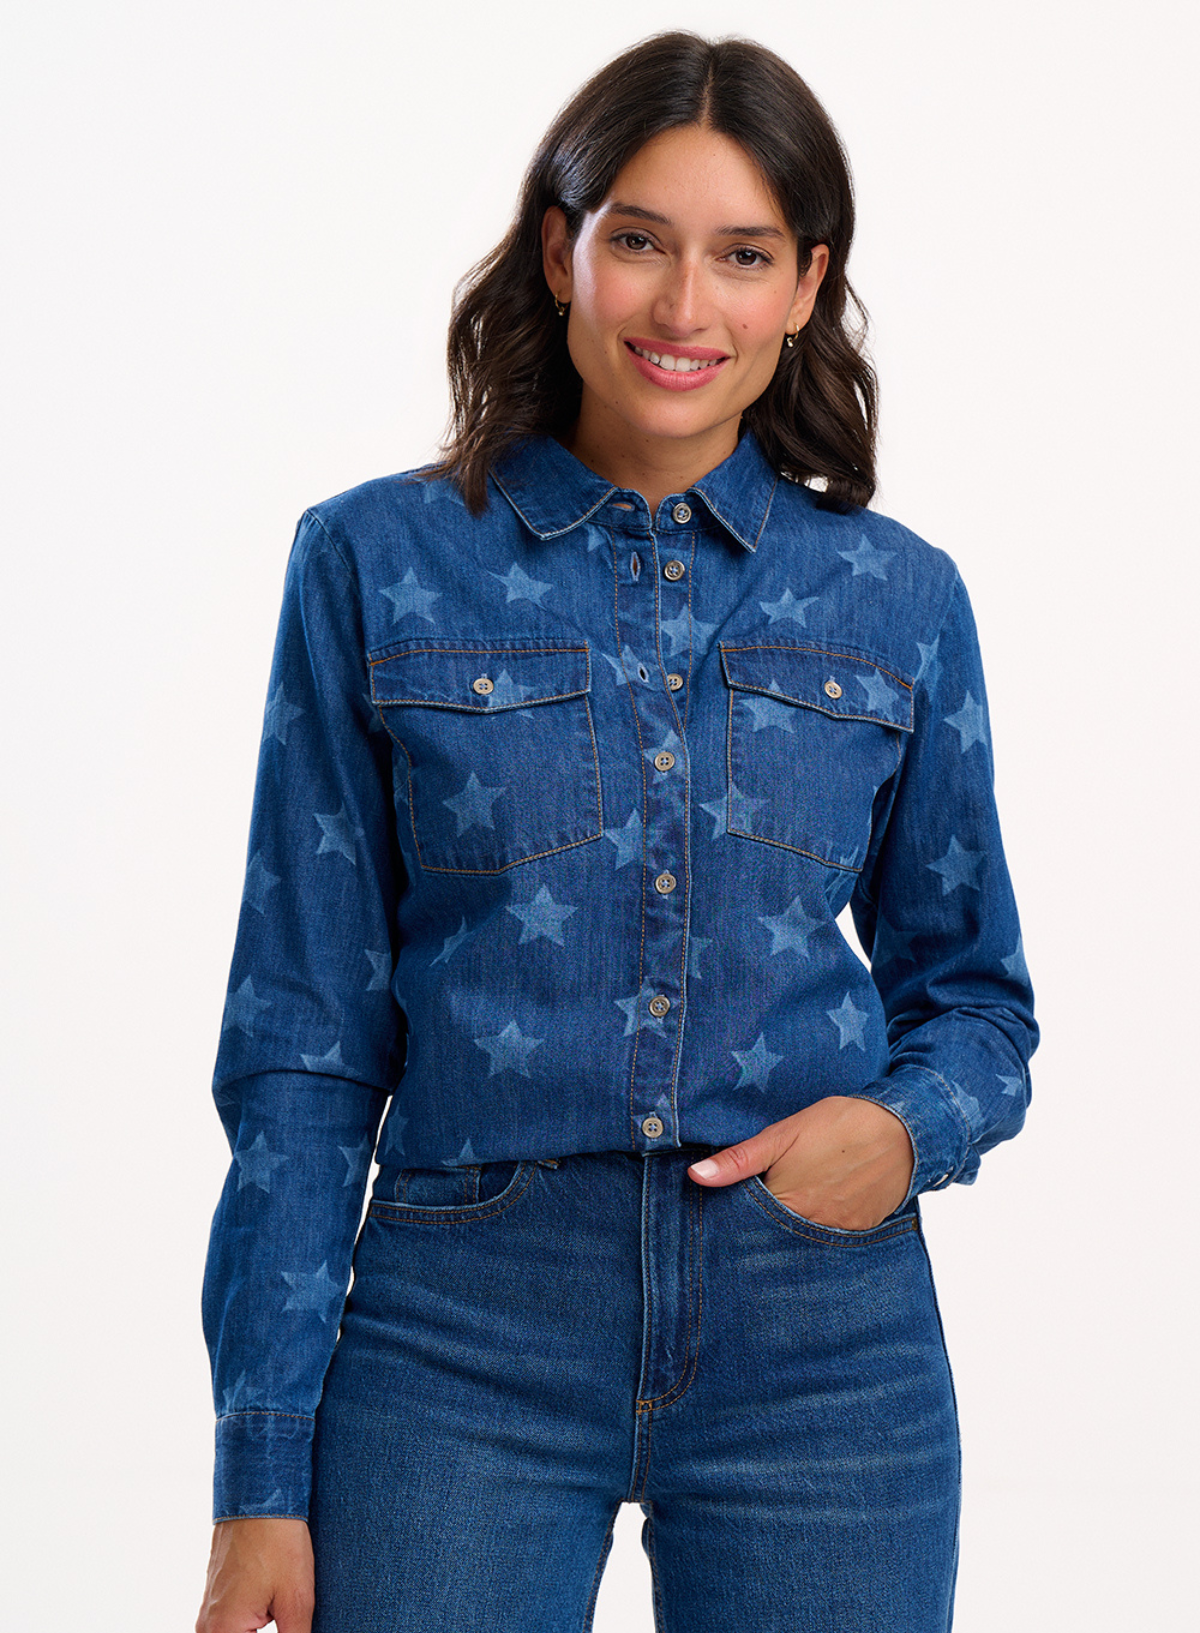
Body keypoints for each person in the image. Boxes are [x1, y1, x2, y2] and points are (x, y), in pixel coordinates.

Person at [195, 30, 1037, 1633]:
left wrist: (902, 1136)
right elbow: (303, 1047)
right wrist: (258, 1479)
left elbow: (980, 1004)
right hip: (464, 1333)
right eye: (639, 239)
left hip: (823, 1340)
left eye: (742, 256)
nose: (681, 306)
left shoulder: (900, 599)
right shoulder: (375, 561)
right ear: (557, 248)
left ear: (805, 287)